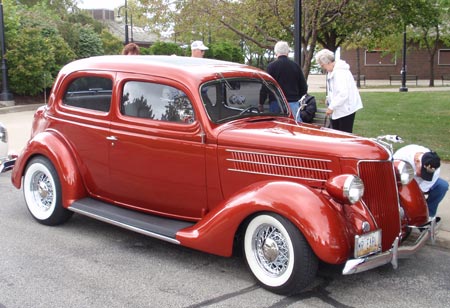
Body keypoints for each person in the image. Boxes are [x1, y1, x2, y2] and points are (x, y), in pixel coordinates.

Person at [393, 144, 448, 217]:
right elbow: (392, 175)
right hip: (402, 181)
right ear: (417, 161)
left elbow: (421, 191)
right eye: (422, 171)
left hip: (419, 185)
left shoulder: (435, 167)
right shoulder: (402, 156)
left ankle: (428, 215)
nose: (423, 175)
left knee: (442, 186)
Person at [315, 49, 362, 133]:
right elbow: (333, 90)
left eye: (322, 65)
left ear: (328, 62)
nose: (323, 68)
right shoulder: (332, 71)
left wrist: (331, 107)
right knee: (335, 131)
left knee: (344, 133)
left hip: (346, 109)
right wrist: (329, 98)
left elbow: (343, 94)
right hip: (339, 108)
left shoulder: (340, 73)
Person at [259, 41, 307, 121]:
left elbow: (265, 87)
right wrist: (297, 97)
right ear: (287, 52)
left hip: (276, 103)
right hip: (293, 103)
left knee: (278, 129)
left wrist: (261, 102)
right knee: (294, 128)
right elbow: (304, 87)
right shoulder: (295, 66)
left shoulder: (271, 67)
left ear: (276, 52)